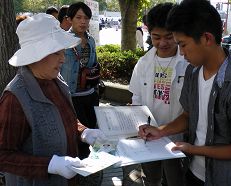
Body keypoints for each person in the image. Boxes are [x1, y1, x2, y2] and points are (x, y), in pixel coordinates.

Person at [139, 0, 231, 186]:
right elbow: (189, 115)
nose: (181, 52)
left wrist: (194, 149)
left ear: (207, 38)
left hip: (226, 178)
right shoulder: (193, 72)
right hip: (193, 173)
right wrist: (160, 131)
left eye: (183, 44)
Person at [0, 13, 104, 186]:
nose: (63, 59)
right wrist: (50, 165)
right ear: (36, 55)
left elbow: (63, 119)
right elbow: (3, 155)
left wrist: (83, 132)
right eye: (56, 53)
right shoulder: (14, 98)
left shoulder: (55, 79)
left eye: (63, 52)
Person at [129, 3, 188, 186]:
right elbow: (136, 99)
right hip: (150, 137)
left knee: (175, 179)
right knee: (151, 178)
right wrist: (140, 124)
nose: (162, 43)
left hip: (177, 138)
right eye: (156, 37)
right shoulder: (143, 63)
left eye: (169, 37)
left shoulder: (188, 62)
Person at [60, 1, 100, 160]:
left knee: (91, 128)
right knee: (76, 133)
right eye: (79, 17)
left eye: (86, 18)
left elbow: (94, 64)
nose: (83, 21)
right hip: (71, 96)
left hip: (90, 94)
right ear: (69, 19)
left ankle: (89, 161)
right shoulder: (62, 40)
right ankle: (79, 163)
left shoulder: (90, 40)